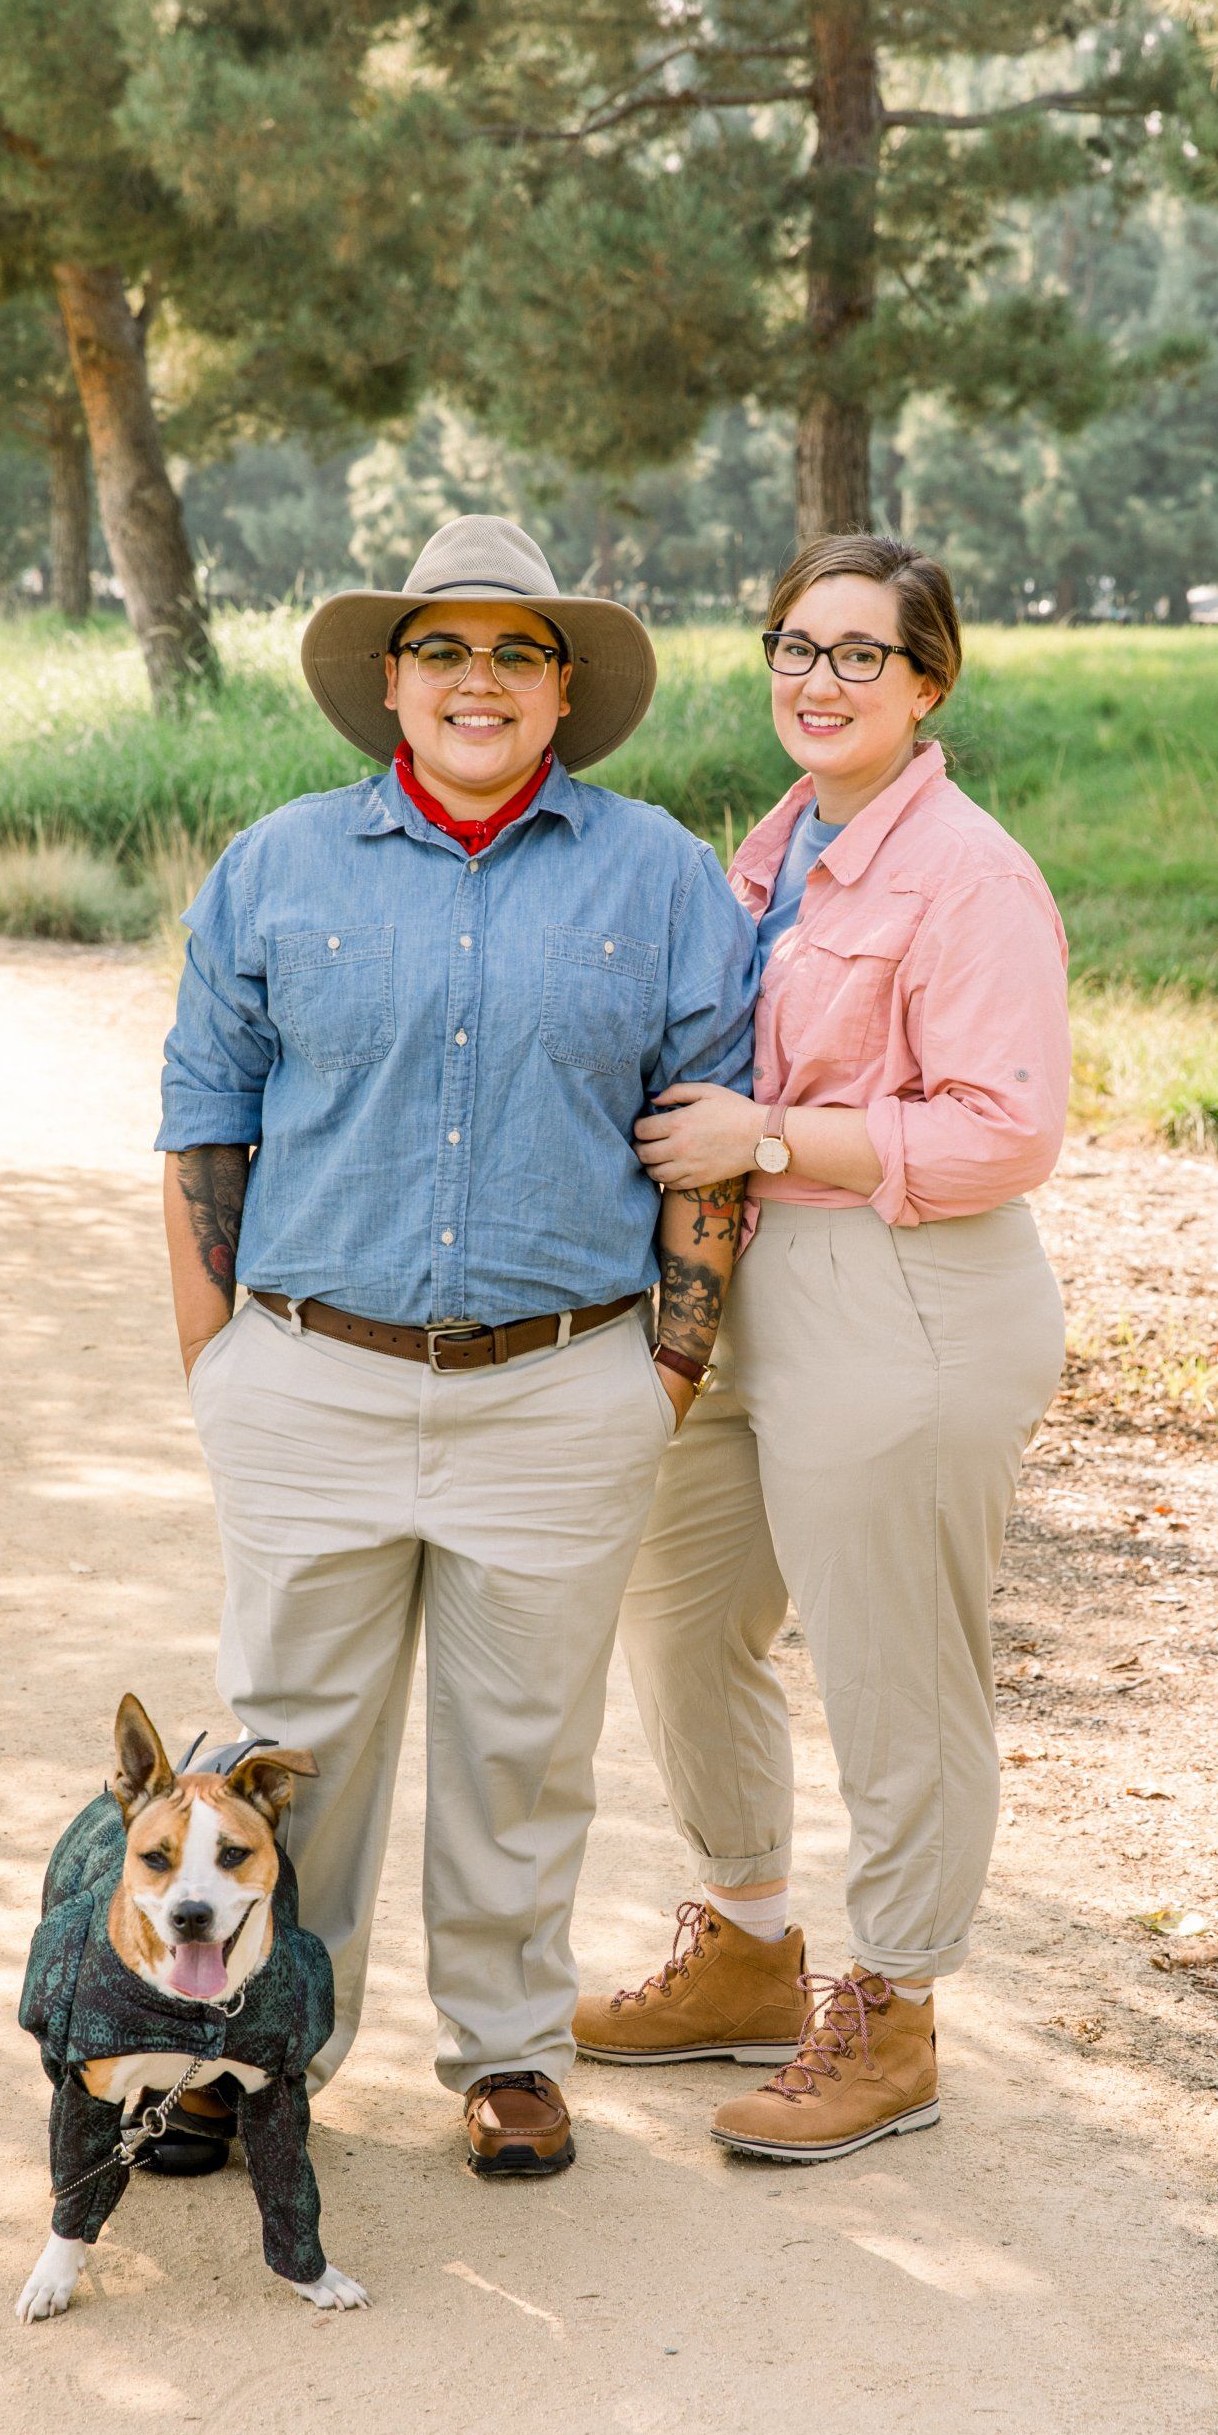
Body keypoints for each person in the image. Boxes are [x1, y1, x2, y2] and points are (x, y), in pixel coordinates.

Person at [157, 514, 754, 2180]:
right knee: (287, 1749)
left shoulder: (660, 874)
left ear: (562, 690)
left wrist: (665, 1374)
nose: (476, 679)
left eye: (514, 650)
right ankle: (255, 2047)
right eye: (442, 648)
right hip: (309, 1371)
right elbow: (205, 1117)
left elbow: (704, 1141)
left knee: (522, 1746)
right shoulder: (278, 863)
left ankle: (505, 2052)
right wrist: (217, 1360)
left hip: (566, 1382)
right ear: (393, 683)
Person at [574, 532, 1068, 2164]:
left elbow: (1006, 1133)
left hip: (905, 1294)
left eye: (862, 653)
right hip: (750, 1291)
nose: (819, 678)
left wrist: (769, 1134)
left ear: (927, 682)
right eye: (796, 645)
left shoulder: (969, 875)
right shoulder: (772, 851)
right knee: (679, 1601)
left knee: (892, 1670)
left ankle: (896, 2011)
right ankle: (744, 1942)